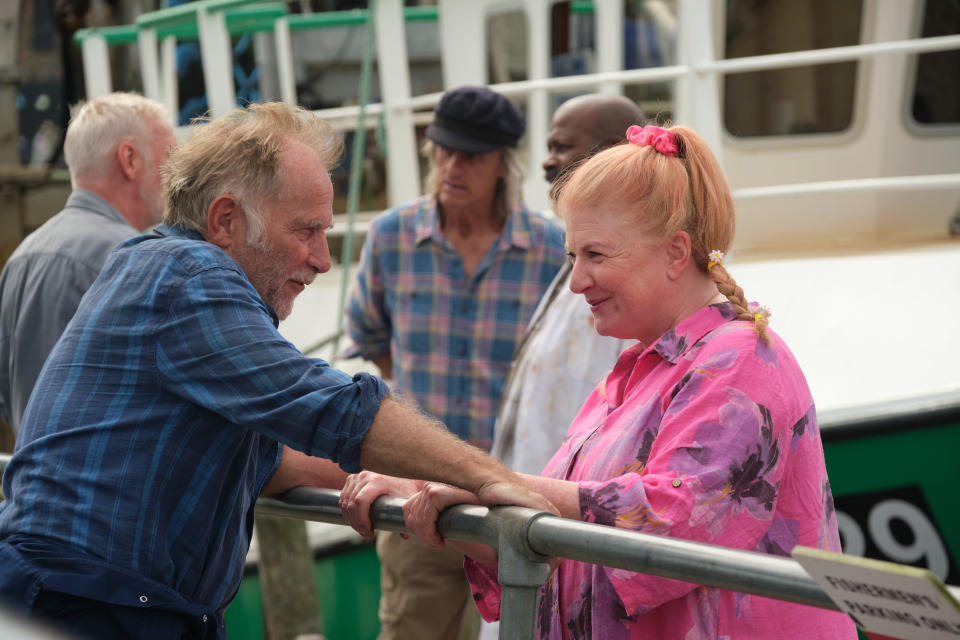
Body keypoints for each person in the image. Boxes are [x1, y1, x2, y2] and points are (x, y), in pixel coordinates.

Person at [0, 102, 554, 640]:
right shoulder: (190, 277)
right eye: (306, 230)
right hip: (91, 604)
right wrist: (490, 481)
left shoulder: (156, 265)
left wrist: (412, 483)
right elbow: (333, 409)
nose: (322, 258)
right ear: (225, 220)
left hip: (100, 598)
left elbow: (271, 456)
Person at [358, 124, 859, 639]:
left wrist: (481, 483)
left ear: (675, 252)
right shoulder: (633, 374)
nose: (576, 281)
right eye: (573, 257)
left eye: (596, 255)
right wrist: (432, 497)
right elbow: (557, 545)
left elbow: (675, 518)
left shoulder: (741, 358)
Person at [344, 85, 567, 640]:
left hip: (510, 493)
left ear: (502, 165)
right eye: (442, 151)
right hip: (415, 497)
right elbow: (369, 333)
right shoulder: (391, 236)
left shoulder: (549, 247)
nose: (451, 165)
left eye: (470, 156)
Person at [0, 92, 177, 437]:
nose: (176, 175)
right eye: (170, 156)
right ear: (130, 159)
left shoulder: (22, 255)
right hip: (111, 484)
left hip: (32, 480)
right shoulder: (130, 256)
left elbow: (7, 392)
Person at [491, 93, 646, 477]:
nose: (547, 162)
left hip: (581, 513)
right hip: (542, 506)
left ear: (610, 152)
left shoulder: (637, 267)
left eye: (561, 147)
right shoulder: (583, 252)